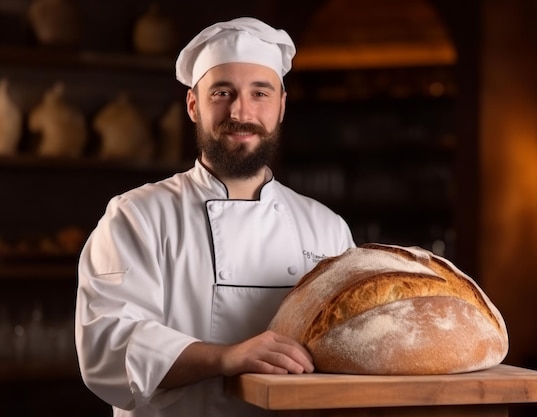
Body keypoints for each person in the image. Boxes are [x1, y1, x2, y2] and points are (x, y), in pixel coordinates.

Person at [75, 17, 355, 417]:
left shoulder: (327, 228)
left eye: (260, 93)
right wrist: (227, 358)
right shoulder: (137, 217)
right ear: (193, 105)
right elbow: (107, 346)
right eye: (223, 92)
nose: (241, 111)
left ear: (282, 105)